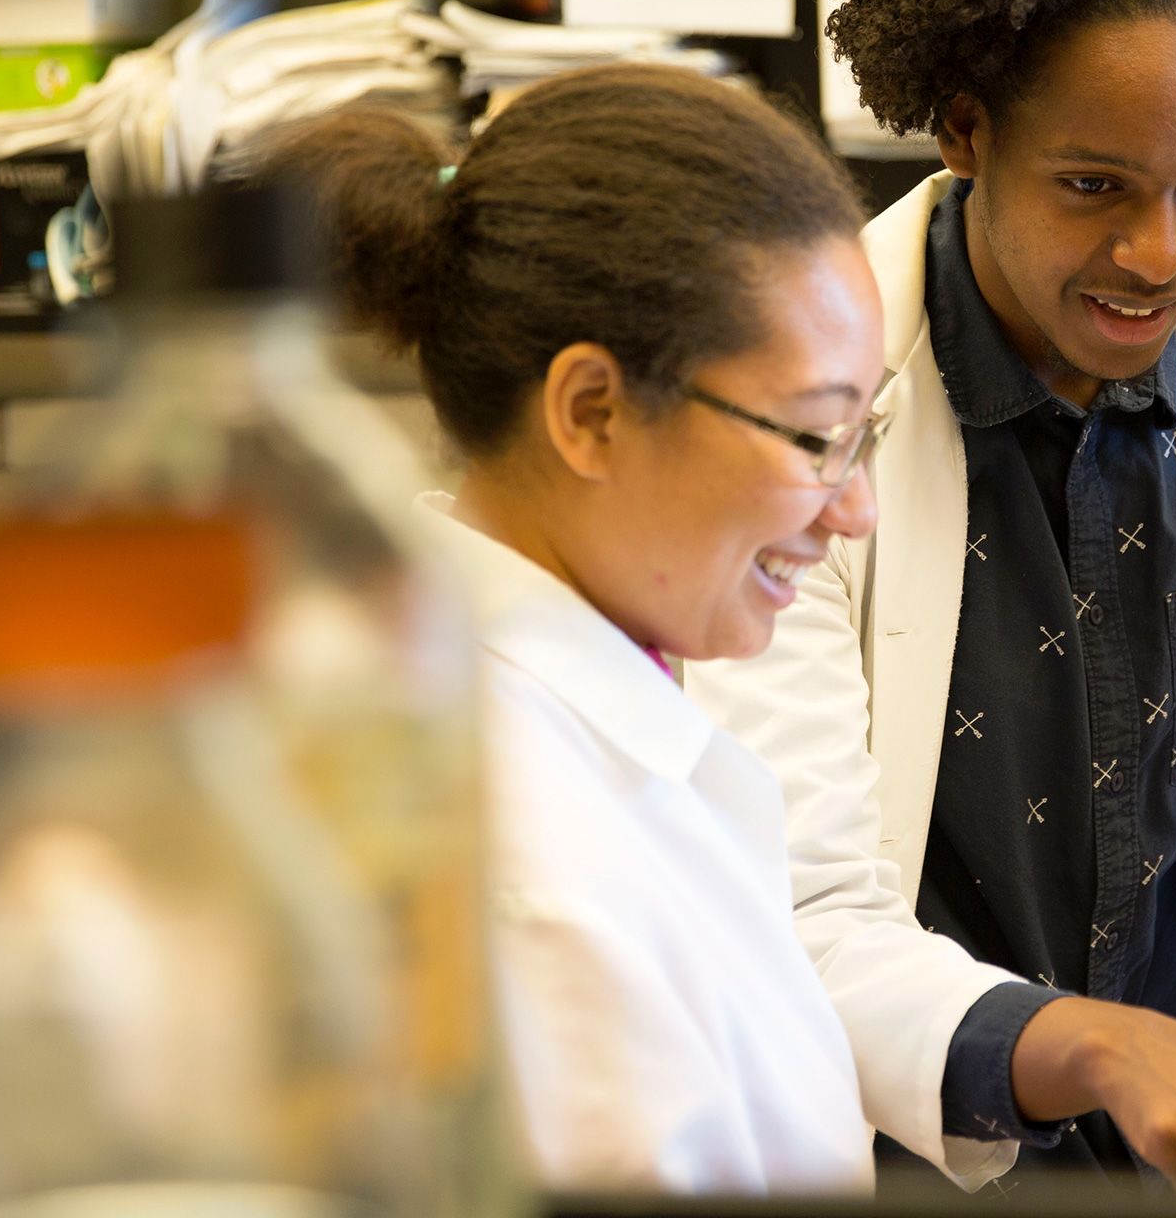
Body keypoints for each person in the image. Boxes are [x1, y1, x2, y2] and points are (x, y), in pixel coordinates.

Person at [684, 0, 1176, 1191]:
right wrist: (1105, 1050)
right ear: (965, 131)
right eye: (1093, 187)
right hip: (933, 1140)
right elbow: (797, 910)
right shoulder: (796, 401)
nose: (1156, 254)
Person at [255, 66, 891, 1193]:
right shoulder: (530, 862)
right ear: (591, 413)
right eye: (812, 439)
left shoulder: (574, 722)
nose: (855, 510)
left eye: (862, 435)